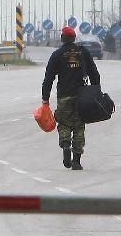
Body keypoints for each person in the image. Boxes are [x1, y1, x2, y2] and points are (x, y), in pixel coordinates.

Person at [41, 26, 100, 171]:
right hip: (82, 97)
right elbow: (94, 74)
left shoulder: (57, 54)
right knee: (79, 126)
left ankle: (66, 145)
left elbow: (48, 78)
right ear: (74, 39)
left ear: (62, 39)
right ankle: (77, 161)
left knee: (64, 124)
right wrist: (96, 92)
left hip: (64, 96)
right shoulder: (83, 52)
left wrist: (45, 98)